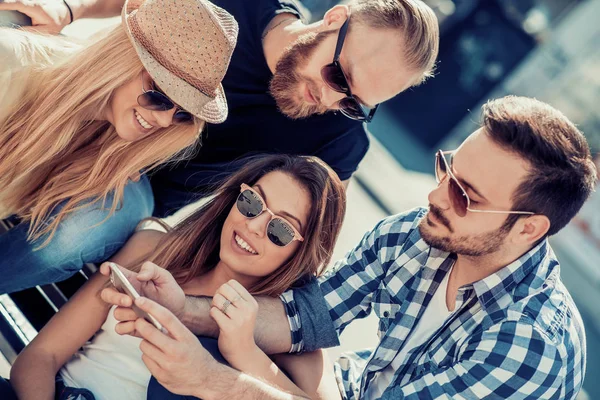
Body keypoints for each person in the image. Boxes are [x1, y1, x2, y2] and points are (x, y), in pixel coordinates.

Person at [103, 96, 596, 399]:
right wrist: (179, 308)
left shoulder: (528, 345)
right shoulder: (416, 235)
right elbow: (303, 319)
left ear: (528, 230)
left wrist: (213, 381)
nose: (434, 195)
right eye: (447, 169)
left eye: (465, 196)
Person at [1, 0, 440, 285]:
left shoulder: (340, 144)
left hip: (134, 189)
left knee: (75, 232)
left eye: (353, 103)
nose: (329, 99)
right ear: (335, 19)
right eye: (338, 76)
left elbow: (298, 251)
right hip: (91, 107)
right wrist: (67, 9)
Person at [1, 154, 346, 400]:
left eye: (281, 229)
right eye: (253, 203)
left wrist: (243, 351)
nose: (253, 226)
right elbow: (41, 356)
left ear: (301, 253)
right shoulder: (155, 249)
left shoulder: (292, 341)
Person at [0, 0, 237, 293]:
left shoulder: (106, 147)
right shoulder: (8, 66)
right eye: (159, 96)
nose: (165, 121)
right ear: (123, 57)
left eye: (181, 113)